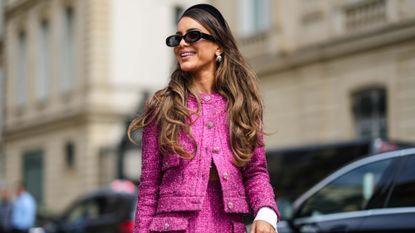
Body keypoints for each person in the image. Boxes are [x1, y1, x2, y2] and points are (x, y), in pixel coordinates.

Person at [129, 4, 280, 233]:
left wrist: (266, 213)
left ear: (218, 45)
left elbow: (255, 172)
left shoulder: (242, 106)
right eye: (177, 38)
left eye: (192, 36)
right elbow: (149, 186)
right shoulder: (163, 106)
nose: (182, 44)